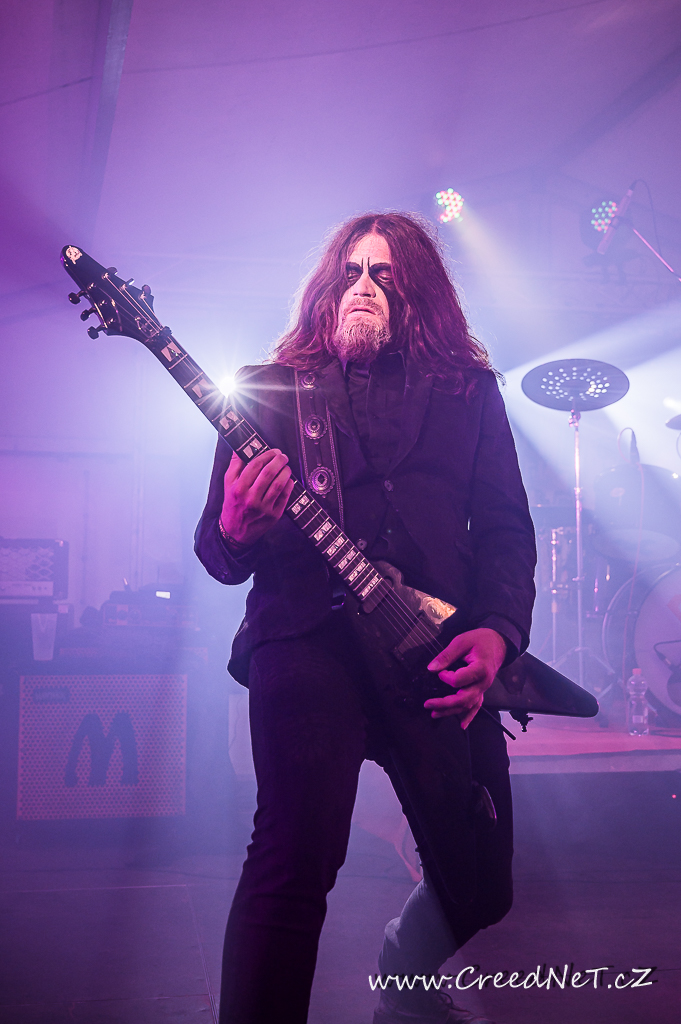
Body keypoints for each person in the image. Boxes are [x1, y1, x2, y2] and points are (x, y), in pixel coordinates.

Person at [195, 212, 536, 1024]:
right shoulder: (270, 391)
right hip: (307, 640)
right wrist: (237, 527)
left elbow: (504, 528)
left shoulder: (468, 392)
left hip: (433, 650)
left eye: (384, 274)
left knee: (482, 884)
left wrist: (497, 632)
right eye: (350, 271)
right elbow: (217, 551)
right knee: (291, 862)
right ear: (325, 288)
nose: (363, 285)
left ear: (420, 294)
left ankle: (403, 967)